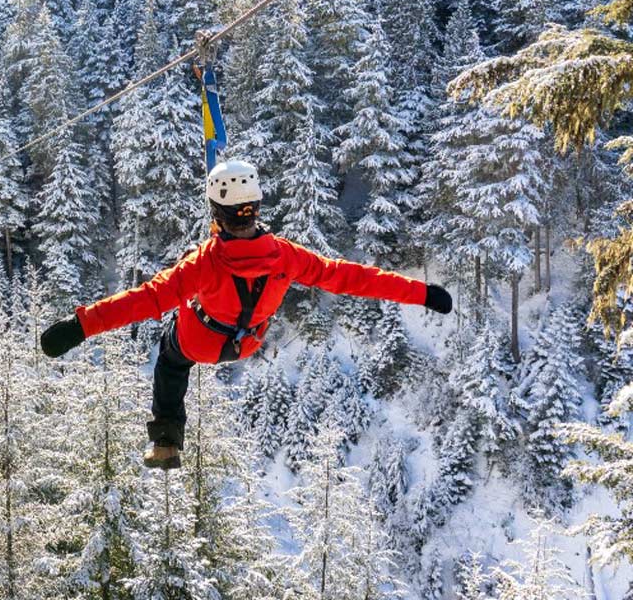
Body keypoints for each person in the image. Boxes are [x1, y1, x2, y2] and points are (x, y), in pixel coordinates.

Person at [39, 159, 453, 470]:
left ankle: (166, 439)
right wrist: (421, 292)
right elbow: (348, 277)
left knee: (169, 357)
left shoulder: (201, 264)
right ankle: (168, 430)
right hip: (248, 341)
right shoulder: (284, 256)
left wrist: (81, 326)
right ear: (255, 208)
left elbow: (143, 300)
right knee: (189, 329)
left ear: (214, 216)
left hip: (199, 340)